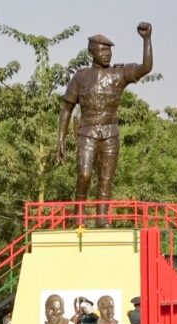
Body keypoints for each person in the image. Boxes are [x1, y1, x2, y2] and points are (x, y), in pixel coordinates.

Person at [57, 22, 153, 227]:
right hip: (87, 132)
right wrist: (61, 139)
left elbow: (146, 68)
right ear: (92, 52)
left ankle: (102, 218)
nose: (107, 54)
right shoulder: (80, 77)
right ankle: (78, 216)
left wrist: (146, 40)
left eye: (109, 50)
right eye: (103, 49)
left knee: (106, 178)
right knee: (84, 174)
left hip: (110, 132)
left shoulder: (118, 75)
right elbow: (67, 108)